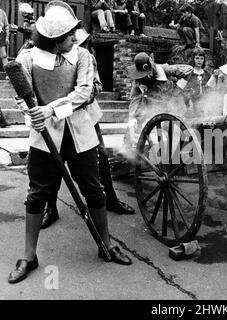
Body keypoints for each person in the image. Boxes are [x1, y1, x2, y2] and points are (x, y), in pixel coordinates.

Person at [8, 1, 131, 285]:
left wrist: (50, 109)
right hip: (44, 136)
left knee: (94, 189)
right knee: (37, 193)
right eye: (68, 36)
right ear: (54, 41)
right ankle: (29, 255)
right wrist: (31, 113)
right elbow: (20, 92)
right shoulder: (27, 58)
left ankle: (106, 244)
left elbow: (85, 92)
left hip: (80, 132)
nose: (75, 38)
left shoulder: (84, 55)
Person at [41, 28, 136, 230]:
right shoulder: (48, 58)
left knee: (100, 158)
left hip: (86, 116)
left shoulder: (87, 58)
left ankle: (111, 199)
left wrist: (87, 92)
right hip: (56, 118)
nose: (76, 46)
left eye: (79, 42)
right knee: (54, 162)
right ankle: (51, 207)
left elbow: (97, 85)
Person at [125, 52, 193, 147]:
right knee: (134, 126)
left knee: (173, 131)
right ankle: (129, 150)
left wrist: (177, 90)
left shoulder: (165, 69)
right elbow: (133, 109)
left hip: (171, 103)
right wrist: (132, 132)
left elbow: (189, 70)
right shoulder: (137, 84)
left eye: (147, 74)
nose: (145, 77)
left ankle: (174, 151)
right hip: (151, 104)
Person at [180, 48, 212, 117]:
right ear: (193, 59)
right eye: (197, 58)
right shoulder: (188, 74)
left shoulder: (207, 75)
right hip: (190, 106)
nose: (199, 61)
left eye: (201, 58)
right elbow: (181, 89)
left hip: (204, 106)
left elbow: (210, 91)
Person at [0, 6, 9, 75]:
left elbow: (6, 26)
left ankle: (8, 74)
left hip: (0, 34)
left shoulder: (2, 13)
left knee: (3, 55)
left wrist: (7, 37)